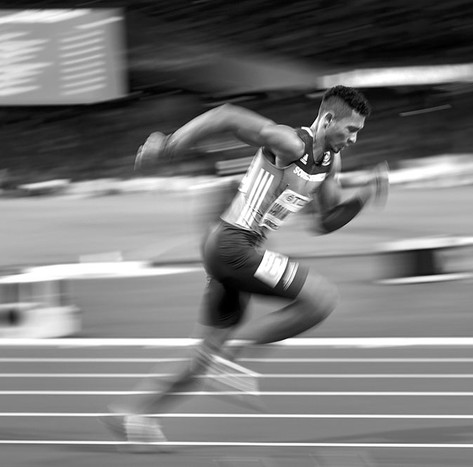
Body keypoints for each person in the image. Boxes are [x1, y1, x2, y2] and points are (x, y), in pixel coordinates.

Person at [101, 85, 389, 448]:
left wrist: (364, 195)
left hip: (241, 254)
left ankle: (136, 412)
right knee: (321, 299)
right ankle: (232, 360)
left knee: (207, 353)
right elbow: (226, 115)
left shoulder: (330, 163)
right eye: (350, 130)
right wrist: (169, 144)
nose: (354, 139)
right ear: (328, 118)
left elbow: (326, 220)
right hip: (231, 245)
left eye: (358, 132)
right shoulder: (289, 143)